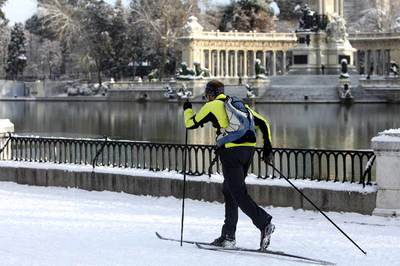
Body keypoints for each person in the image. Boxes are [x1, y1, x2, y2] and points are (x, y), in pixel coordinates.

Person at [183, 79, 275, 251]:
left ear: (210, 94)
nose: (207, 98)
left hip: (231, 153)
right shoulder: (237, 104)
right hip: (248, 151)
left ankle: (264, 223)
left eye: (207, 95)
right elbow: (263, 122)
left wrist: (187, 109)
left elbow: (190, 124)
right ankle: (228, 236)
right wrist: (267, 148)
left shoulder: (212, 105)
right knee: (230, 191)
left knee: (238, 193)